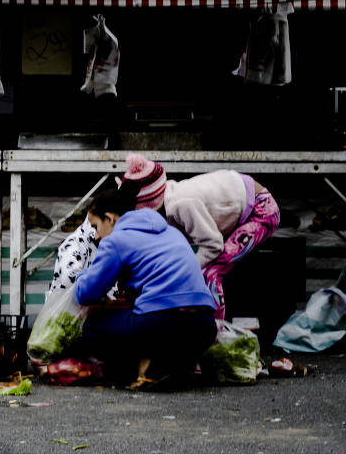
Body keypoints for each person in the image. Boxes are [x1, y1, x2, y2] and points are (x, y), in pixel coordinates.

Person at [73, 184, 217, 389]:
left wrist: (81, 276)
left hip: (160, 325)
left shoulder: (116, 241)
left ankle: (144, 368)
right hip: (204, 327)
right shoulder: (172, 233)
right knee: (145, 318)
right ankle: (172, 366)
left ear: (110, 218)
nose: (96, 236)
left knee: (92, 327)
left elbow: (86, 293)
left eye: (95, 226)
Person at [119, 153, 281, 320]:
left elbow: (213, 245)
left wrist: (185, 270)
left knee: (209, 272)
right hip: (240, 203)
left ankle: (216, 333)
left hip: (261, 209)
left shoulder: (181, 205)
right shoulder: (164, 199)